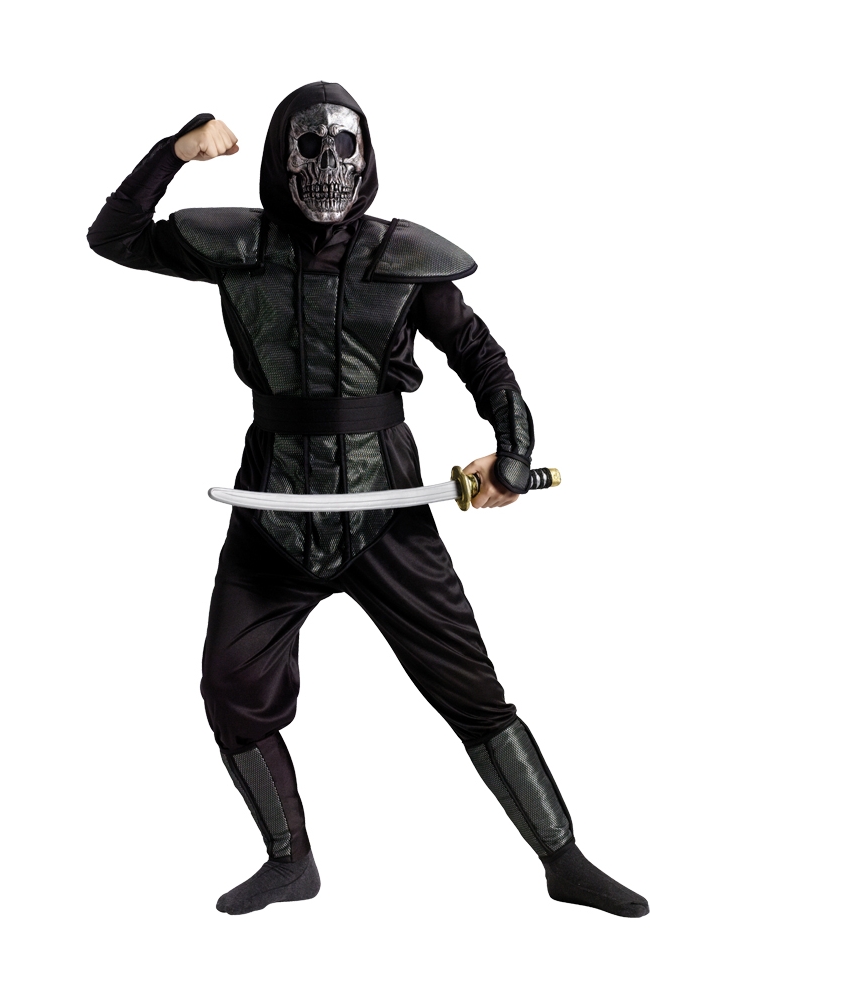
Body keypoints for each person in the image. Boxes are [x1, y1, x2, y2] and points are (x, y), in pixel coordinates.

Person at [87, 81, 648, 918]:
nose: (328, 166)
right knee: (230, 689)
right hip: (272, 511)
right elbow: (115, 236)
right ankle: (289, 862)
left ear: (368, 158)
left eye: (342, 147)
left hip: (388, 510)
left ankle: (563, 860)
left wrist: (513, 453)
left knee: (472, 691)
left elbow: (481, 357)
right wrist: (175, 150)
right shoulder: (239, 247)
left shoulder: (402, 260)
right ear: (281, 160)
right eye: (310, 147)